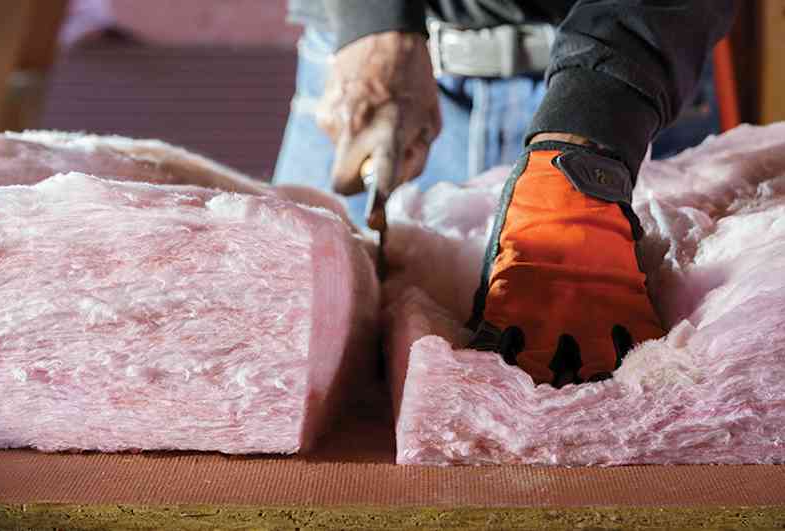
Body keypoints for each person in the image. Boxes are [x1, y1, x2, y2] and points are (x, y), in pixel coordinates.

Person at [275, 1, 736, 386]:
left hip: (625, 84)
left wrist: (589, 135)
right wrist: (371, 19)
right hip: (369, 70)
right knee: (285, 363)